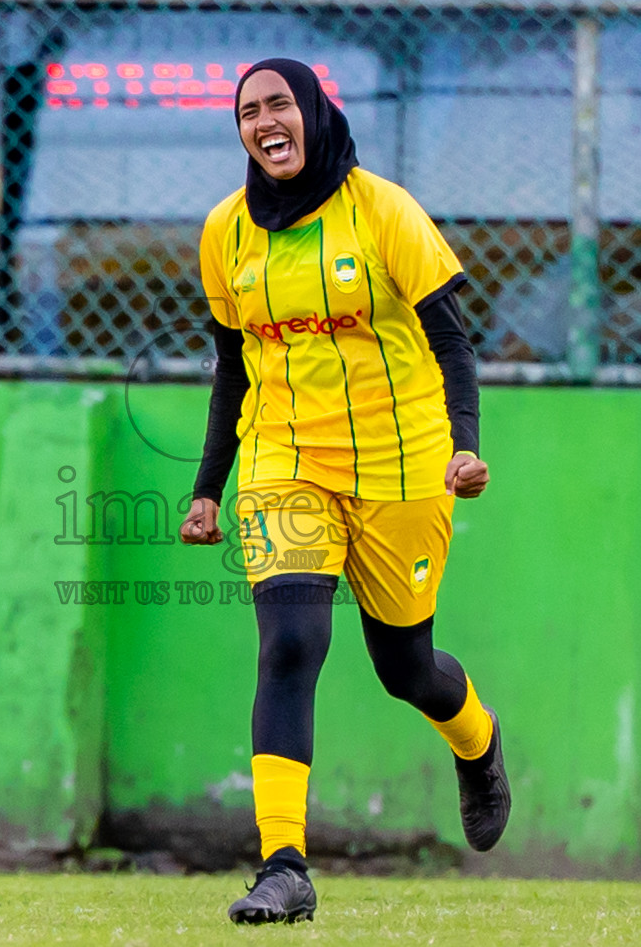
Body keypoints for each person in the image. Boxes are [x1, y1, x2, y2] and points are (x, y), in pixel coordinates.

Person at [180, 58, 510, 924]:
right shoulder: (226, 231)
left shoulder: (383, 210)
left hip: (403, 466)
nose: (264, 122)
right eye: (248, 112)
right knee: (290, 643)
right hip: (286, 463)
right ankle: (283, 866)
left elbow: (453, 344)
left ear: (315, 112)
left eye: (279, 104)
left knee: (405, 669)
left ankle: (477, 739)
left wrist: (465, 448)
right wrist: (208, 488)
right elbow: (232, 370)